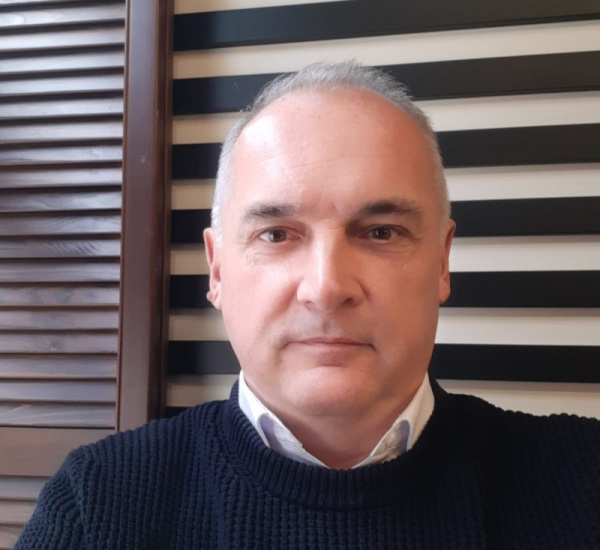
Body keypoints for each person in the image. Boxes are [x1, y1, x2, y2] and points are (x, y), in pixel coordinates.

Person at [16, 61, 599, 549]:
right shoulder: (97, 504)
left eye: (381, 232)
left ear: (441, 262)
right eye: (276, 234)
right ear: (217, 270)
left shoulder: (584, 479)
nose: (326, 286)